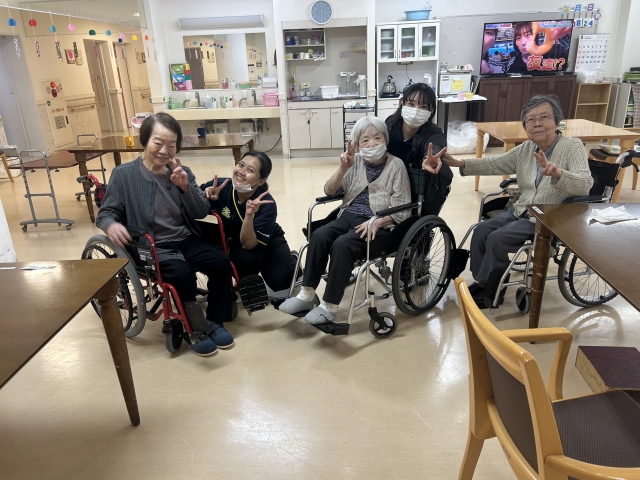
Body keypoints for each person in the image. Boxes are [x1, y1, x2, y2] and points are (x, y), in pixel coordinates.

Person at [96, 112, 233, 356]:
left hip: (185, 238)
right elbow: (106, 213)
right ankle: (194, 328)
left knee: (220, 261)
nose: (164, 151)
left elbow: (201, 211)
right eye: (158, 143)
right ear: (145, 140)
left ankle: (214, 321)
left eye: (171, 145)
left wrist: (185, 187)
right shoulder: (124, 175)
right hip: (149, 246)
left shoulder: (182, 171)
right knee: (182, 273)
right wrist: (111, 225)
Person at [442, 94, 593, 308]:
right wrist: (461, 163)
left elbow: (585, 184)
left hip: (547, 217)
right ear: (525, 126)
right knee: (481, 231)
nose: (537, 123)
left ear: (557, 122)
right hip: (521, 210)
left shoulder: (572, 146)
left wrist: (558, 174)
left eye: (544, 117)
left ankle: (494, 290)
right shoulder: (526, 149)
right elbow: (495, 163)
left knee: (497, 239)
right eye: (530, 119)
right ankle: (485, 282)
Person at [278, 116, 411, 324]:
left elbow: (403, 210)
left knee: (343, 244)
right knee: (320, 235)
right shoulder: (354, 161)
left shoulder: (397, 166)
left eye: (377, 138)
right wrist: (343, 168)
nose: (372, 144)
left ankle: (329, 306)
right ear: (357, 145)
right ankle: (306, 295)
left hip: (379, 224)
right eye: (365, 140)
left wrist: (378, 221)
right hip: (348, 215)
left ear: (385, 139)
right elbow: (329, 191)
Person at [200, 151, 298, 293]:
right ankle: (248, 278)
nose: (241, 172)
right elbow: (193, 201)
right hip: (238, 242)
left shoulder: (267, 203)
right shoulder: (220, 186)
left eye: (250, 170)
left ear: (261, 181)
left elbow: (249, 243)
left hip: (268, 241)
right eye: (241, 165)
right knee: (246, 259)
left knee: (280, 282)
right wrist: (205, 195)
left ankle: (293, 259)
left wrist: (249, 215)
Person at [385, 82, 453, 216]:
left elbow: (435, 145)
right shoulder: (390, 124)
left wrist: (431, 158)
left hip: (417, 190)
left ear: (431, 111)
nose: (416, 110)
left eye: (423, 107)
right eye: (411, 104)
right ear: (401, 103)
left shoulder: (433, 132)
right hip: (390, 185)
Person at [506, 22, 570, 74]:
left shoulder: (556, 51)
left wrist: (570, 25)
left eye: (527, 35)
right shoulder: (513, 65)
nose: (523, 43)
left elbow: (573, 60)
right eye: (518, 38)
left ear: (535, 36)